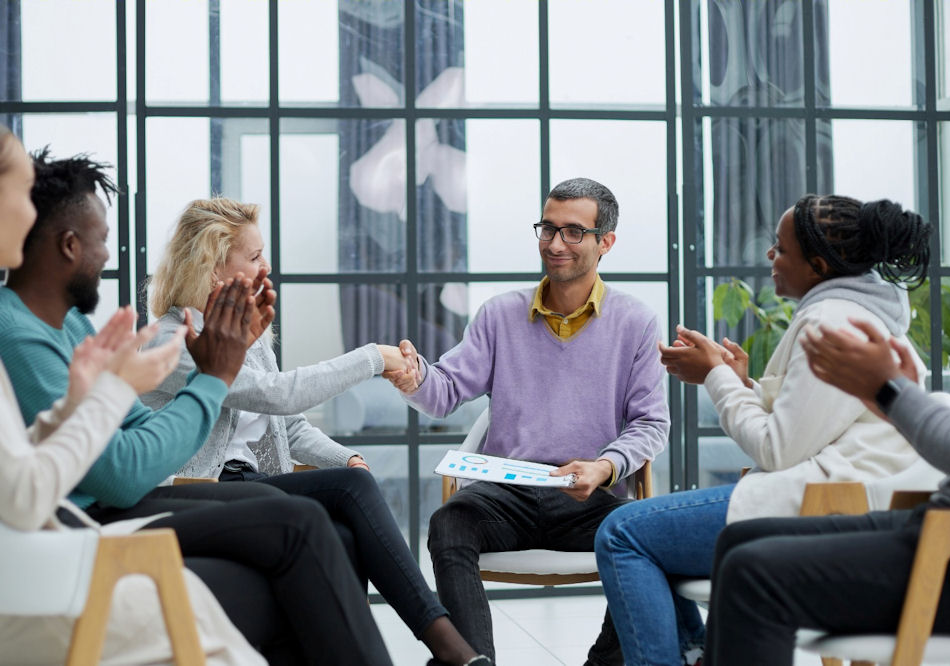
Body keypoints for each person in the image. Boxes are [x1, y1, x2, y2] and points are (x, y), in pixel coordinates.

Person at [0, 128, 392, 665]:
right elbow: (113, 473)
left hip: (103, 509)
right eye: (20, 195)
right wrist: (209, 377)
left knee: (298, 516)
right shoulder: (25, 332)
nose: (111, 252)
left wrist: (114, 394)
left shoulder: (64, 324)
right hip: (85, 532)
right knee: (297, 537)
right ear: (69, 245)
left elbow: (103, 433)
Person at [701, 119, 950, 666]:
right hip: (947, 521)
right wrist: (899, 394)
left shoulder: (833, 319)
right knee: (737, 545)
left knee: (750, 573)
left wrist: (889, 392)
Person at [141, 197, 489, 666]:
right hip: (201, 489)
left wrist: (341, 457)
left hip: (252, 485)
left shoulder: (248, 335)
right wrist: (372, 358)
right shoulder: (176, 337)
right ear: (212, 266)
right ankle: (446, 644)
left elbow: (290, 427)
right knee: (350, 491)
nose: (266, 265)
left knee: (349, 511)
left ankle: (396, 649)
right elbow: (276, 394)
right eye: (255, 256)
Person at [595, 192, 933, 666]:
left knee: (622, 532)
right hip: (838, 494)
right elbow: (811, 425)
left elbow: (776, 449)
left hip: (826, 503)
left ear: (817, 264)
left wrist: (717, 376)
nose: (770, 256)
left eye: (781, 248)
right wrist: (740, 383)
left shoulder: (834, 323)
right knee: (651, 532)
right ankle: (696, 656)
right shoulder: (855, 313)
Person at [387, 177, 670, 664]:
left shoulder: (636, 322)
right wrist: (413, 378)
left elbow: (650, 424)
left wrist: (604, 467)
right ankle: (473, 660)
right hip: (506, 496)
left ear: (606, 242)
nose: (556, 244)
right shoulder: (499, 315)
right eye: (548, 228)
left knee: (652, 539)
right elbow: (447, 389)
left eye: (573, 232)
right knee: (449, 523)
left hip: (588, 496)